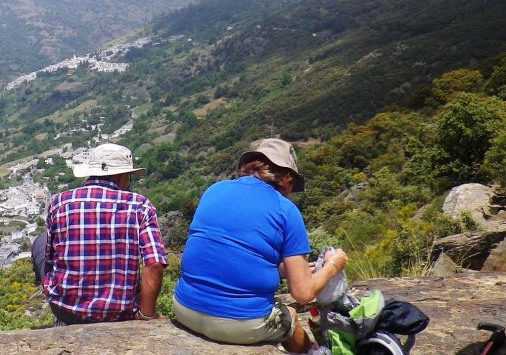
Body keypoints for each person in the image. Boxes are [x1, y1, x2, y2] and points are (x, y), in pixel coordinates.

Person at [173, 138, 348, 353]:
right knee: (290, 316)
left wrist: (283, 271)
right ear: (287, 179)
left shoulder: (215, 189)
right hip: (239, 324)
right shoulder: (285, 210)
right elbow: (303, 294)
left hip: (184, 307)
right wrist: (333, 265)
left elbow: (225, 254)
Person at [33, 143, 169, 324]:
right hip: (120, 314)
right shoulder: (141, 206)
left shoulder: (61, 202)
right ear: (122, 176)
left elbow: (50, 257)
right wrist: (146, 315)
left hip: (66, 311)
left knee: (40, 242)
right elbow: (154, 265)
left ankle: (55, 298)